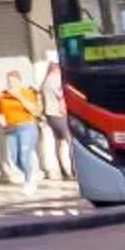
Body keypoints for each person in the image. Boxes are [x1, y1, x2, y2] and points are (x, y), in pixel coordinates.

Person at [0, 71, 43, 187]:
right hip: (11, 129)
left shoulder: (27, 92)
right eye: (9, 81)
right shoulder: (4, 95)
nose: (11, 84)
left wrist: (19, 96)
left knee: (24, 155)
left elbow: (34, 111)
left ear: (19, 81)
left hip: (26, 127)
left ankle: (29, 181)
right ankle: (30, 175)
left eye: (14, 81)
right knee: (15, 158)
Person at [37, 50, 70, 185]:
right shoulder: (56, 79)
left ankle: (63, 170)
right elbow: (62, 95)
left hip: (50, 115)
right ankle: (73, 170)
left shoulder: (45, 81)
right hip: (59, 114)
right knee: (70, 142)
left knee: (59, 142)